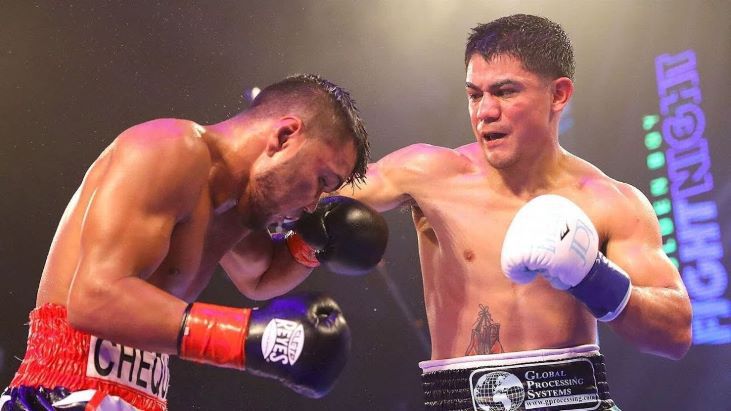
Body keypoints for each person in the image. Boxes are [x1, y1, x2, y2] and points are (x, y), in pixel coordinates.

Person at [338, 14, 692, 410]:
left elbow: (675, 334)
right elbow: (310, 196)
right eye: (475, 95)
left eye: (505, 92)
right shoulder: (428, 174)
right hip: (459, 400)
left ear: (558, 95)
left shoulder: (610, 201)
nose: (485, 112)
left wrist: (591, 276)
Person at [1, 74, 388, 410]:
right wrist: (244, 338)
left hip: (140, 399)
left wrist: (312, 245)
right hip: (62, 393)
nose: (313, 204)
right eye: (322, 180)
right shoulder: (168, 149)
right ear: (285, 136)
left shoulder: (235, 206)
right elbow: (94, 300)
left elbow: (261, 276)